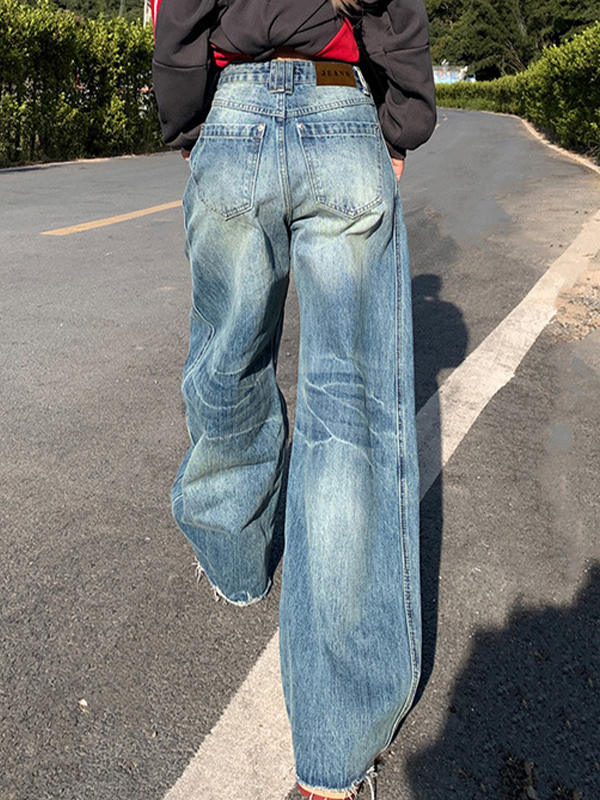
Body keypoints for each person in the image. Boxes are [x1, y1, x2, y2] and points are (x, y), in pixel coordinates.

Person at [151, 1, 436, 797]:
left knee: (229, 358)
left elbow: (181, 13)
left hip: (234, 111)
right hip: (342, 107)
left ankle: (237, 560)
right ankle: (334, 747)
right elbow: (397, 13)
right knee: (351, 414)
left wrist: (188, 122)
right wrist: (401, 124)